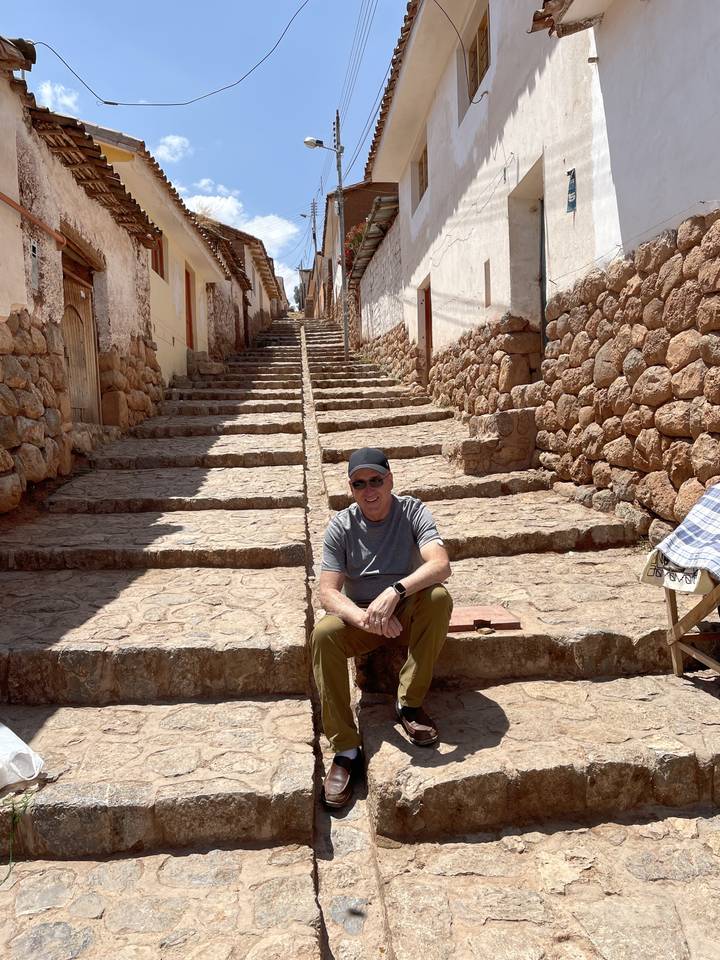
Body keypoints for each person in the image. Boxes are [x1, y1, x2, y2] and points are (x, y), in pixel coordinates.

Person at [311, 446, 453, 808]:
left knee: (438, 598)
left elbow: (440, 565)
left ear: (390, 480)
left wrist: (396, 590)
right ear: (351, 488)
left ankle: (408, 704)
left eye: (376, 480)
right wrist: (364, 619)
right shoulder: (341, 526)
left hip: (406, 607)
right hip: (362, 615)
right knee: (324, 634)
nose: (369, 490)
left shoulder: (413, 512)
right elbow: (327, 591)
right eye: (360, 484)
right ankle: (345, 748)